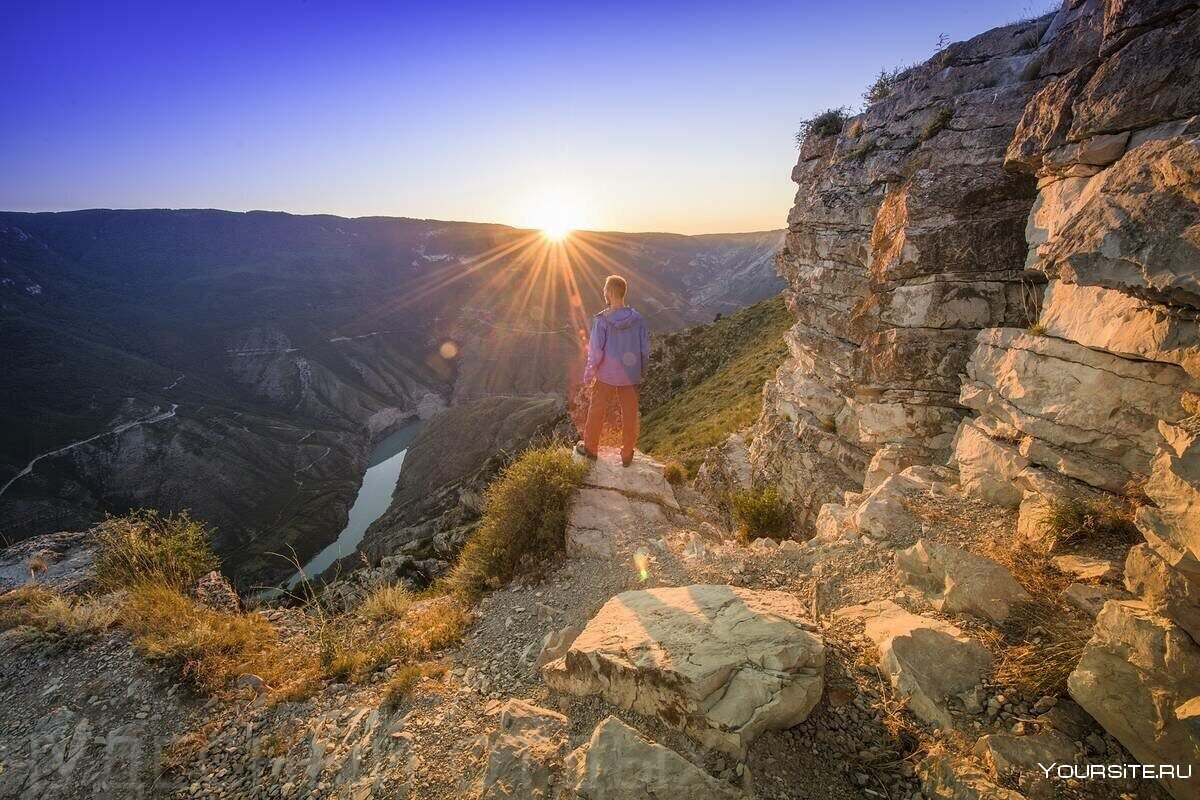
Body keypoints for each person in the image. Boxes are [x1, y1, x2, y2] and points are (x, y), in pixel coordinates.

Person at [575, 274, 650, 468]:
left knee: (597, 410)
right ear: (623, 292)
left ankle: (591, 449)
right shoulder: (638, 319)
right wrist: (642, 371)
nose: (603, 293)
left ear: (609, 293)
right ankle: (627, 454)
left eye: (604, 290)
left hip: (606, 374)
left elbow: (596, 352)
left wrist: (589, 374)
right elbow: (644, 350)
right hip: (630, 374)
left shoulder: (602, 321)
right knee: (630, 413)